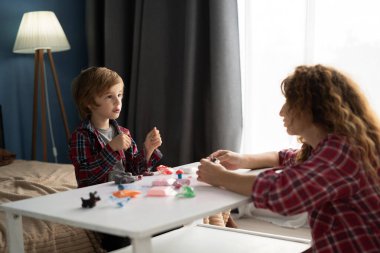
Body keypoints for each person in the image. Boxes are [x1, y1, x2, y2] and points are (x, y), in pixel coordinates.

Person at [197, 64, 380, 253]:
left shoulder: (344, 151)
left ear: (312, 108)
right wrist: (243, 160)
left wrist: (220, 177)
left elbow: (286, 192)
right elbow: (285, 157)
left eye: (289, 103)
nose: (282, 112)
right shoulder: (336, 147)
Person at [69, 66, 163, 251]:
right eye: (109, 96)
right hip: (100, 201)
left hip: (125, 196)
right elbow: (86, 176)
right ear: (89, 102)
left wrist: (148, 149)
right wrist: (111, 148)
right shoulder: (81, 136)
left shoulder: (123, 133)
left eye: (119, 95)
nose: (117, 101)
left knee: (164, 225)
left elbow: (136, 170)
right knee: (120, 239)